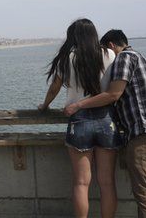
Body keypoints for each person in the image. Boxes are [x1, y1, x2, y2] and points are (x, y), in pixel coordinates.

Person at [65, 30, 146, 218]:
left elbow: (113, 94)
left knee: (144, 190)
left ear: (112, 45)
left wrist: (78, 104)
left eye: (106, 49)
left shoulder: (124, 59)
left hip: (144, 131)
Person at [40, 18, 121, 218]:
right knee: (107, 182)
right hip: (106, 119)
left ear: (74, 36)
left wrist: (44, 105)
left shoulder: (68, 57)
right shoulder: (109, 53)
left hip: (79, 120)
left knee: (81, 182)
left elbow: (55, 88)